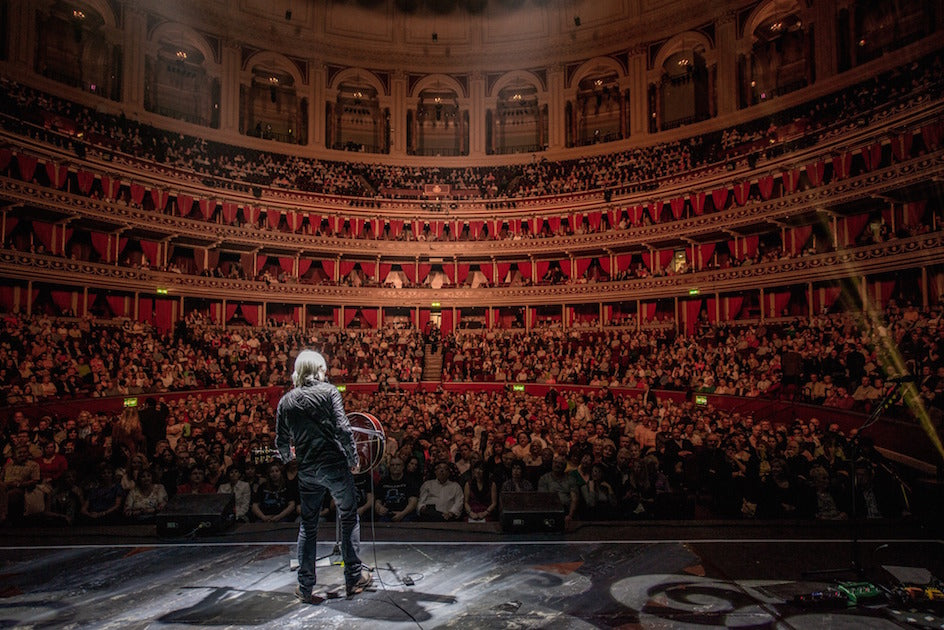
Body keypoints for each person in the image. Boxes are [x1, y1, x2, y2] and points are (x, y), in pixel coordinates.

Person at [276, 350, 371, 603]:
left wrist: (290, 461)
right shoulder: (329, 392)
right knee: (349, 516)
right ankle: (353, 578)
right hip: (335, 466)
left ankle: (305, 586)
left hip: (308, 471)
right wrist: (353, 459)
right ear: (319, 369)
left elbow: (281, 442)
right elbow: (342, 428)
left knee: (308, 525)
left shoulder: (286, 400)